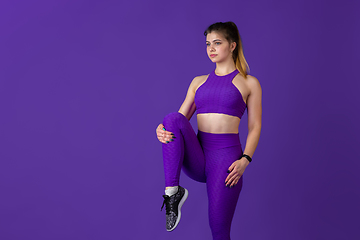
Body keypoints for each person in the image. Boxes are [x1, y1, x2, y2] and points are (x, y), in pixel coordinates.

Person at [156, 21, 262, 240]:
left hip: (226, 160)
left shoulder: (249, 83)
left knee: (219, 229)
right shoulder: (198, 82)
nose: (211, 49)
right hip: (198, 156)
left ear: (232, 45)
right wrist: (162, 130)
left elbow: (255, 126)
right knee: (170, 118)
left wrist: (245, 160)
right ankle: (173, 194)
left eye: (217, 43)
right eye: (207, 44)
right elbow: (178, 120)